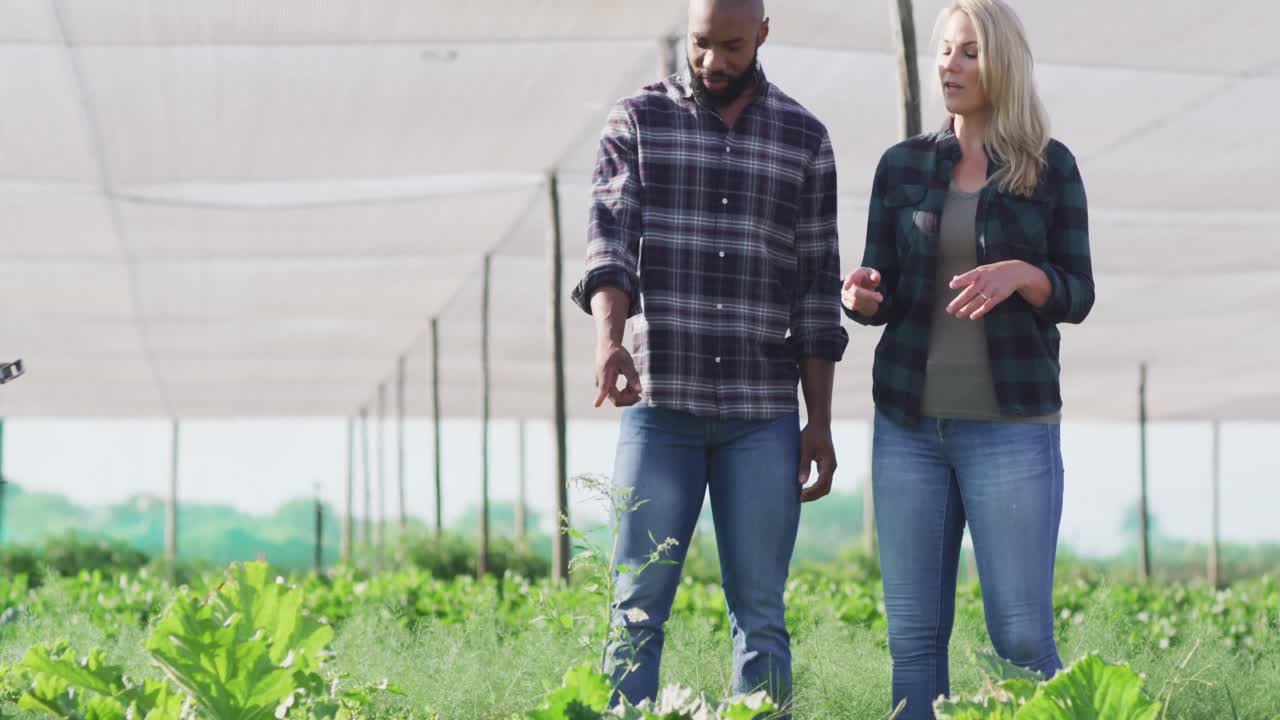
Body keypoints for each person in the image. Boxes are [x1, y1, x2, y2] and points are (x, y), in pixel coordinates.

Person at [570, 0, 848, 711]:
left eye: (730, 45)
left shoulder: (804, 139)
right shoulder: (636, 121)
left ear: (761, 32)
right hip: (663, 405)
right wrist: (609, 342)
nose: (714, 62)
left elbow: (817, 288)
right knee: (636, 606)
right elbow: (610, 242)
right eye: (700, 45)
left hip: (763, 414)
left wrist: (818, 423)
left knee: (761, 612)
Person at [841, 1, 1095, 717]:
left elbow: (1078, 293)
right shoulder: (902, 167)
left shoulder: (1049, 170)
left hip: (1011, 430)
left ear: (1002, 64)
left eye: (968, 53)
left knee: (1020, 638)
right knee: (915, 642)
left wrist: (1024, 275)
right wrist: (859, 297)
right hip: (909, 430)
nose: (949, 66)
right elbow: (879, 286)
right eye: (945, 51)